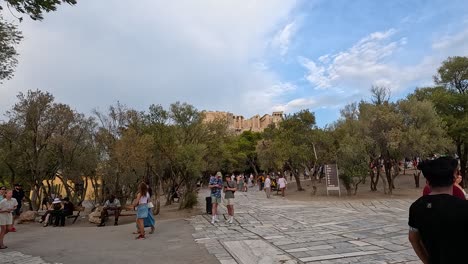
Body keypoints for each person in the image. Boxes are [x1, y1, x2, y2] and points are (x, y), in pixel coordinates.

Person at [408, 157, 468, 264]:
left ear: (427, 181)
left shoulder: (417, 207)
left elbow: (413, 238)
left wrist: (427, 261)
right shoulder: (464, 207)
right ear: (454, 178)